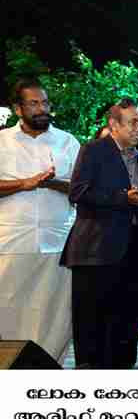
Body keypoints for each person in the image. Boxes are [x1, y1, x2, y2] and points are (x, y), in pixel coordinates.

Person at [60, 98, 138, 368]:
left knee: (128, 323)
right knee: (93, 326)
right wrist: (124, 198)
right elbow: (78, 192)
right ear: (114, 124)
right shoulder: (93, 150)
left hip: (132, 254)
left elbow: (136, 201)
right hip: (96, 253)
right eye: (133, 122)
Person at [0, 78, 80, 363]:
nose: (41, 108)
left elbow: (83, 187)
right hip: (11, 242)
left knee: (53, 313)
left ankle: (47, 369)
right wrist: (26, 183)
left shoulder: (67, 141)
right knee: (8, 307)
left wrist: (53, 183)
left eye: (44, 103)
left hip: (58, 242)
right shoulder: (2, 141)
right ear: (18, 109)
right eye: (33, 103)